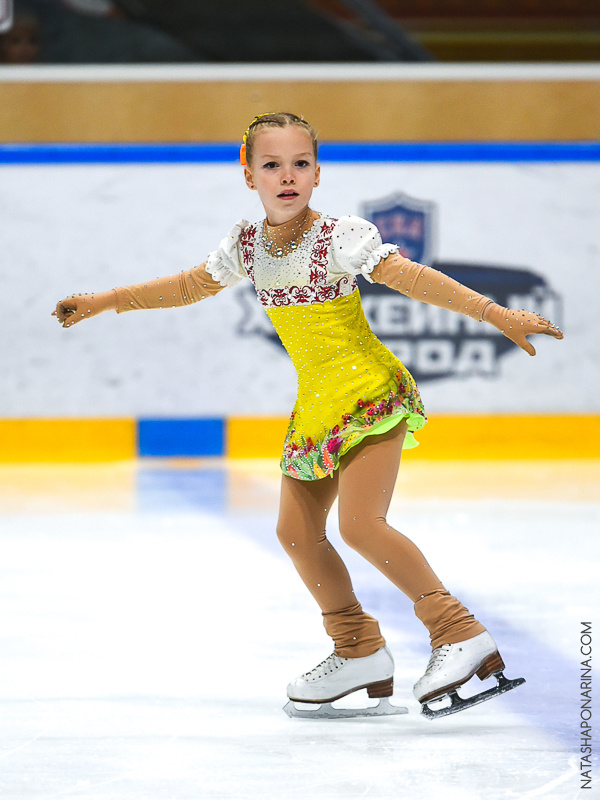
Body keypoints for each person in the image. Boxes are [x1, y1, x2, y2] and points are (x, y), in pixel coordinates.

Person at [53, 112, 563, 719]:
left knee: (360, 526)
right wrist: (105, 301)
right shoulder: (247, 246)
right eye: (272, 165)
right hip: (317, 406)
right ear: (249, 176)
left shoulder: (341, 237)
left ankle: (457, 630)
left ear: (318, 174)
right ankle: (357, 649)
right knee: (295, 533)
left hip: (370, 393)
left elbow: (413, 278)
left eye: (300, 164)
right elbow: (189, 285)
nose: (287, 176)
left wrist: (494, 312)